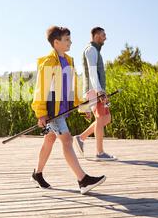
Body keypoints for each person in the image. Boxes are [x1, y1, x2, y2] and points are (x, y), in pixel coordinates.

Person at [31, 26, 106, 195]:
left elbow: (72, 88)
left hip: (63, 108)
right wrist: (41, 113)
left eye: (69, 39)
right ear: (56, 43)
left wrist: (83, 107)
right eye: (66, 40)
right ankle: (82, 180)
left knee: (49, 140)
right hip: (52, 109)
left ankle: (37, 174)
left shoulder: (69, 61)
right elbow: (40, 90)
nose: (70, 42)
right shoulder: (48, 63)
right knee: (67, 140)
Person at [74, 27, 117, 161]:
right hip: (94, 90)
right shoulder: (91, 50)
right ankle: (100, 153)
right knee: (100, 118)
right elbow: (92, 72)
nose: (105, 37)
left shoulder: (95, 51)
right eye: (104, 35)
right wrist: (99, 90)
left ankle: (81, 138)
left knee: (107, 118)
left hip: (96, 89)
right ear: (97, 35)